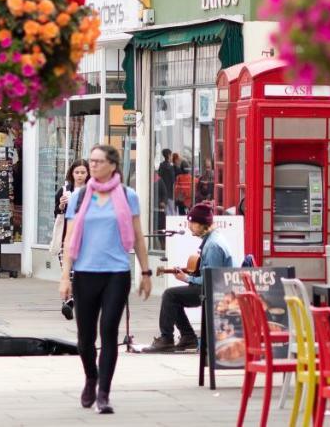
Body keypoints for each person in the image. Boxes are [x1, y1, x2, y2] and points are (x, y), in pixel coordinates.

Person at [60, 144, 151, 414]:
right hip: (85, 273)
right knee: (85, 339)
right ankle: (91, 376)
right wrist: (65, 276)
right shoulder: (79, 197)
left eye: (99, 161)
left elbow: (137, 236)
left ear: (113, 164)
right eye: (91, 162)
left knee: (109, 330)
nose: (93, 166)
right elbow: (69, 240)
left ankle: (104, 394)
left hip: (116, 273)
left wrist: (145, 272)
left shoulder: (127, 195)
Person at [146, 201, 233, 352]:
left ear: (201, 224)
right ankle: (187, 337)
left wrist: (186, 279)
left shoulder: (213, 246)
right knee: (174, 298)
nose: (189, 226)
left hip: (215, 291)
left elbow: (210, 280)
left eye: (192, 223)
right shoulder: (213, 239)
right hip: (213, 287)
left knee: (170, 295)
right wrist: (190, 273)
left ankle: (167, 338)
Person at [51, 159, 90, 259]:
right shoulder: (64, 190)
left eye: (83, 172)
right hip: (66, 237)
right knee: (67, 272)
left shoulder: (92, 191)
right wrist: (61, 205)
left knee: (82, 272)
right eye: (77, 172)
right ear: (72, 173)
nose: (80, 175)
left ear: (88, 173)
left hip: (86, 238)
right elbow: (56, 213)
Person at [156, 149, 176, 218]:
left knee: (165, 212)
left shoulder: (161, 166)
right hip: (169, 193)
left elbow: (159, 177)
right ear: (168, 156)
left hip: (162, 193)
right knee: (171, 212)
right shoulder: (170, 168)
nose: (171, 157)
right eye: (171, 155)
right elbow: (173, 180)